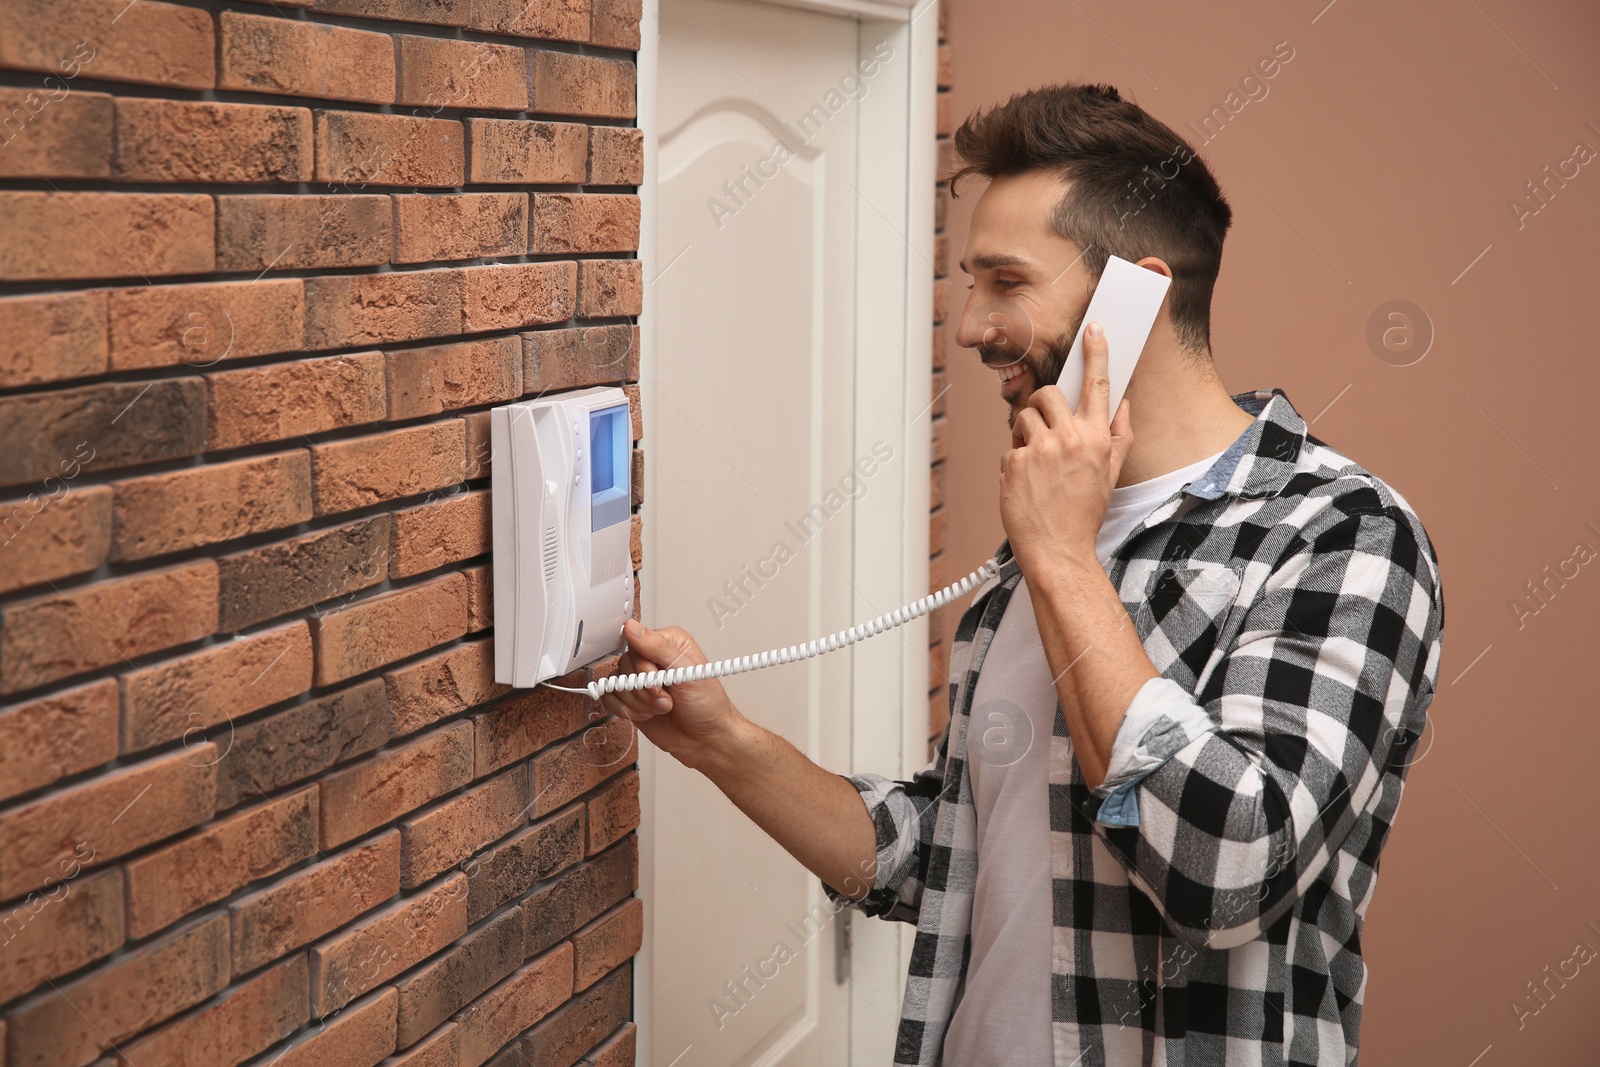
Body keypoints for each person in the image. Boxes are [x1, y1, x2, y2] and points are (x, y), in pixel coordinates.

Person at [602, 82, 1445, 1066]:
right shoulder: (1047, 535)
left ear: (1137, 296)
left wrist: (1057, 553)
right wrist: (726, 744)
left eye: (1004, 281)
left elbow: (1227, 872)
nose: (968, 326)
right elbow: (956, 848)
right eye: (970, 283)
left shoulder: (1339, 534)